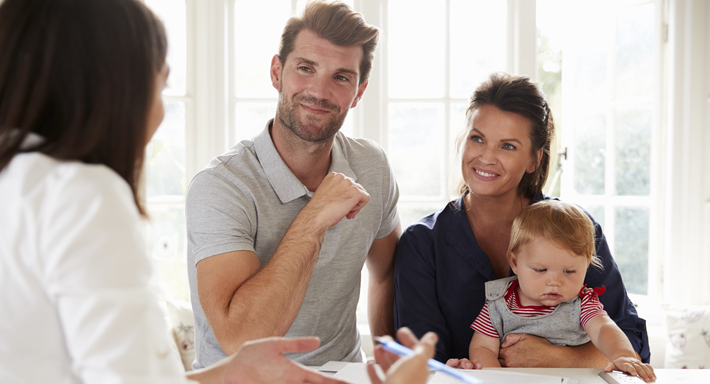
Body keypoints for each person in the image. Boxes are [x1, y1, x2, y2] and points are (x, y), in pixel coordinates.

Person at [0, 0, 425, 383]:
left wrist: (225, 375)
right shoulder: (84, 195)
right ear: (113, 86)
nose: (157, 111)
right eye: (159, 85)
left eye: (340, 76)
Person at [186, 0, 400, 368]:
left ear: (359, 92)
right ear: (276, 72)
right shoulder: (220, 187)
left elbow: (388, 273)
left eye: (341, 77)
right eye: (306, 68)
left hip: (343, 376)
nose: (319, 91)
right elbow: (240, 337)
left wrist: (385, 358)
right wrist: (315, 216)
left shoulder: (372, 166)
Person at [393, 72, 650, 368]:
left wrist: (557, 358)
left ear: (534, 160)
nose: (486, 157)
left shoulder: (577, 229)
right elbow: (421, 361)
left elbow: (633, 344)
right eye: (477, 139)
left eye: (508, 146)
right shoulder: (422, 244)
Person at [465, 201, 656, 381]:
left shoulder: (583, 303)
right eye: (541, 270)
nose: (555, 282)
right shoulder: (499, 303)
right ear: (515, 263)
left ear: (586, 266)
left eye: (569, 271)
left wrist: (622, 355)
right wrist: (497, 379)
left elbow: (603, 329)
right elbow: (482, 347)